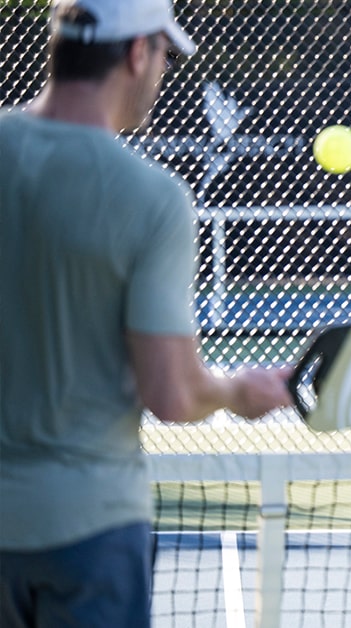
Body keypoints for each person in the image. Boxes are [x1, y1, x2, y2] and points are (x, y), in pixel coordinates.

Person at [0, 1, 294, 626]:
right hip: (91, 530)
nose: (162, 74)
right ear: (138, 54)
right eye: (163, 56)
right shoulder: (152, 199)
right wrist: (239, 390)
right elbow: (173, 394)